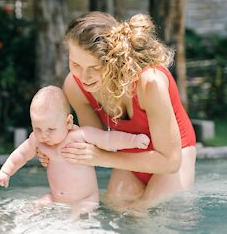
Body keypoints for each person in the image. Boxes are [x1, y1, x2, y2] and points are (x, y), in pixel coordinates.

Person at [36, 11, 197, 214]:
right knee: (116, 213)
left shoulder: (150, 83)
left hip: (173, 156)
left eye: (94, 67)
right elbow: (92, 142)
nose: (84, 76)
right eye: (75, 64)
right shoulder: (75, 86)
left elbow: (170, 161)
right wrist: (54, 147)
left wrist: (102, 158)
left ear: (115, 60)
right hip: (129, 155)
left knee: (149, 219)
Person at [0, 85, 150, 217]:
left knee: (77, 221)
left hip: (85, 200)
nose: (44, 134)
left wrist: (133, 140)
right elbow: (21, 154)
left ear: (68, 122)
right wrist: (6, 171)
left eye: (50, 129)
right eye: (38, 128)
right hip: (55, 198)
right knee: (33, 209)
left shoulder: (80, 136)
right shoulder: (37, 141)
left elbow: (108, 139)